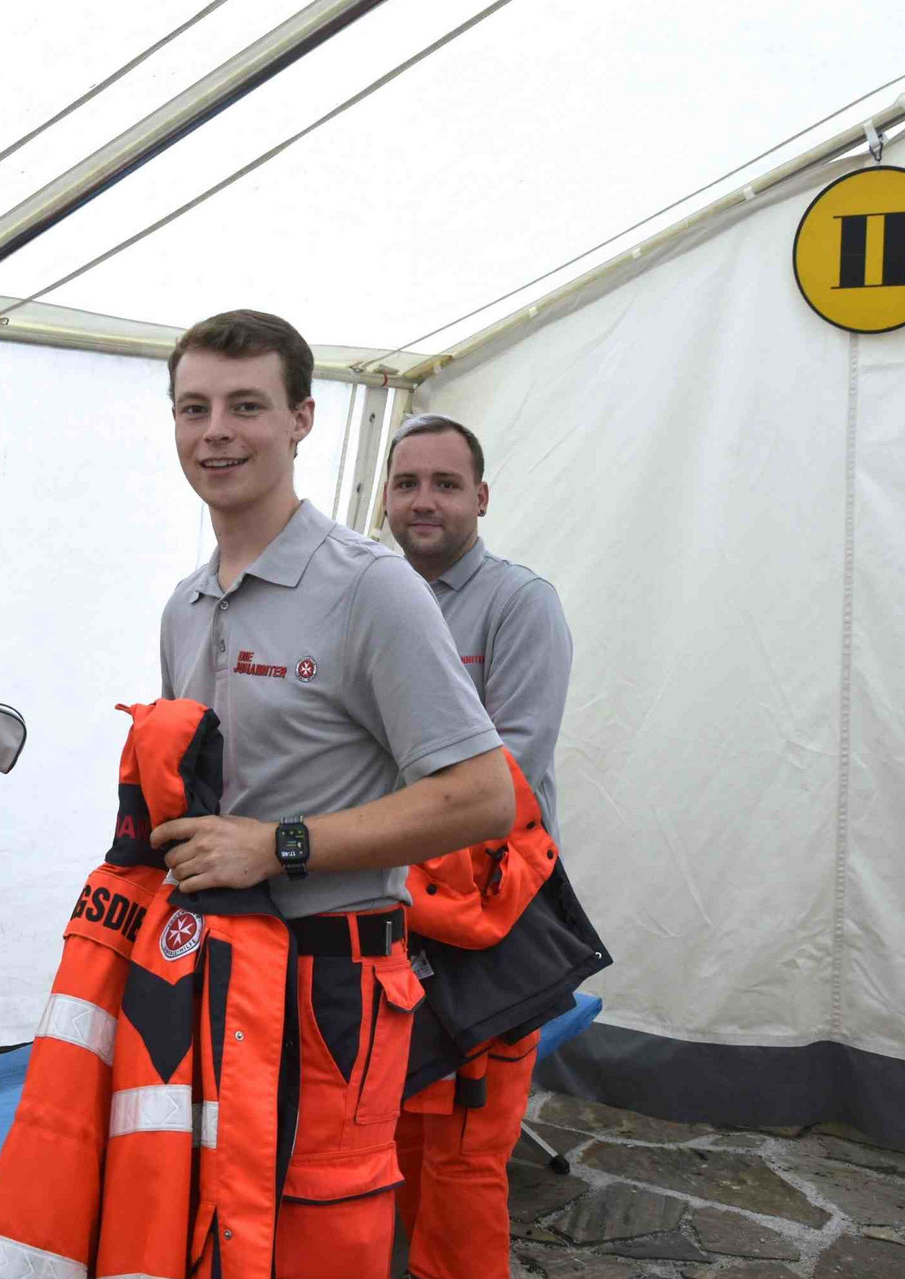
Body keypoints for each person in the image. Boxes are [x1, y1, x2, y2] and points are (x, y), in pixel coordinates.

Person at [151, 311, 517, 1279]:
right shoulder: (185, 605)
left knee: (323, 1240)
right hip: (211, 977)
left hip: (332, 982)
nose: (216, 431)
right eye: (195, 408)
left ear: (302, 419)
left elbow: (484, 797)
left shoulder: (371, 588)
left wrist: (280, 846)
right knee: (215, 1235)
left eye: (246, 407)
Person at [382, 411, 574, 1279]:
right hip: (384, 915)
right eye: (407, 483)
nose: (424, 501)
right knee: (382, 1146)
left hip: (487, 927)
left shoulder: (521, 603)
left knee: (462, 1155)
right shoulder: (368, 591)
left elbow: (505, 777)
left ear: (482, 497)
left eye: (445, 484)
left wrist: (357, 817)